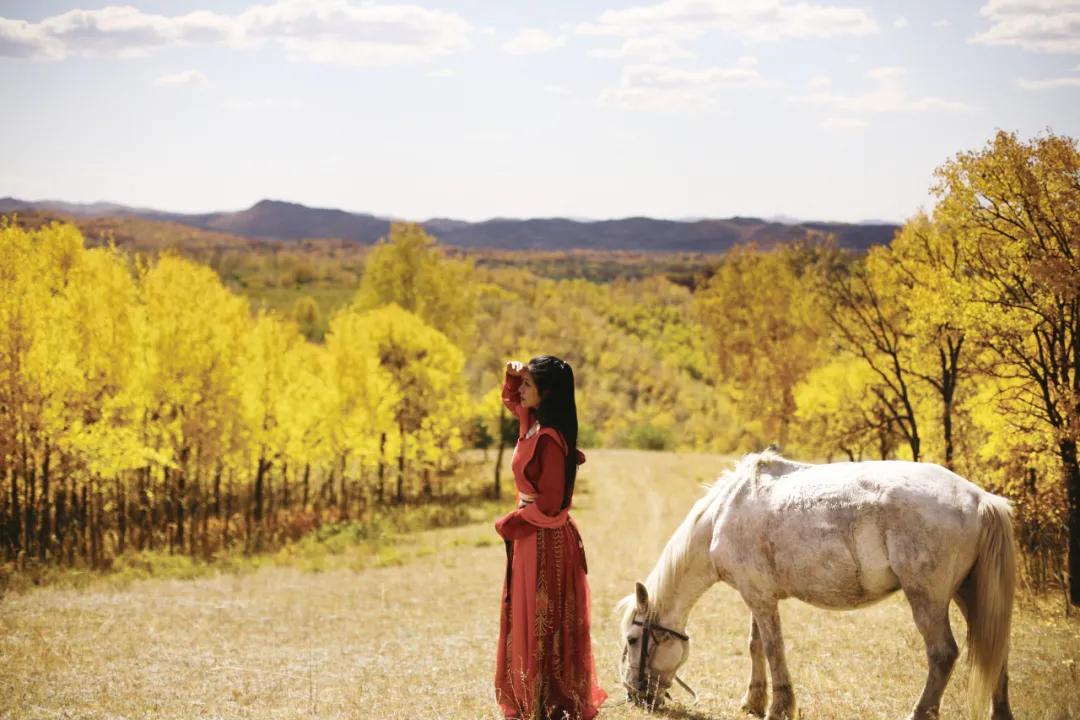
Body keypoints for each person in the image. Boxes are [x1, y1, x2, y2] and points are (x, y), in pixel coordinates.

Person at [494, 355, 607, 720]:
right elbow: (512, 401)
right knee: (527, 616)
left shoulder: (550, 440)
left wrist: (513, 521)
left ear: (545, 394)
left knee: (541, 618)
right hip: (531, 538)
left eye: (529, 384)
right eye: (523, 383)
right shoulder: (533, 423)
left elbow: (551, 502)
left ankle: (547, 700)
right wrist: (512, 377)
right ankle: (530, 698)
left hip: (544, 540)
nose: (521, 390)